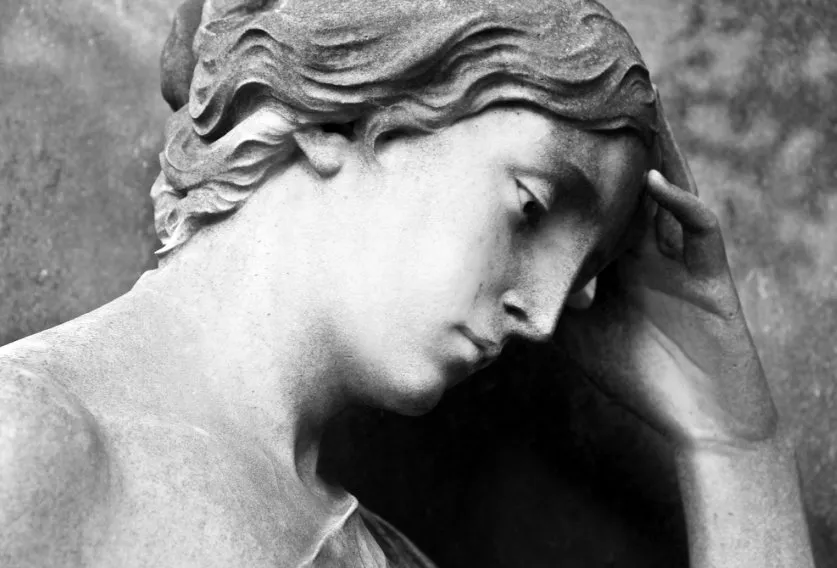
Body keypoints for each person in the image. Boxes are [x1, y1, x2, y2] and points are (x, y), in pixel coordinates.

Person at [0, 0, 814, 566]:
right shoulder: (27, 440)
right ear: (340, 115)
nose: (540, 318)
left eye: (580, 278)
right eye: (530, 209)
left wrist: (734, 447)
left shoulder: (384, 556)